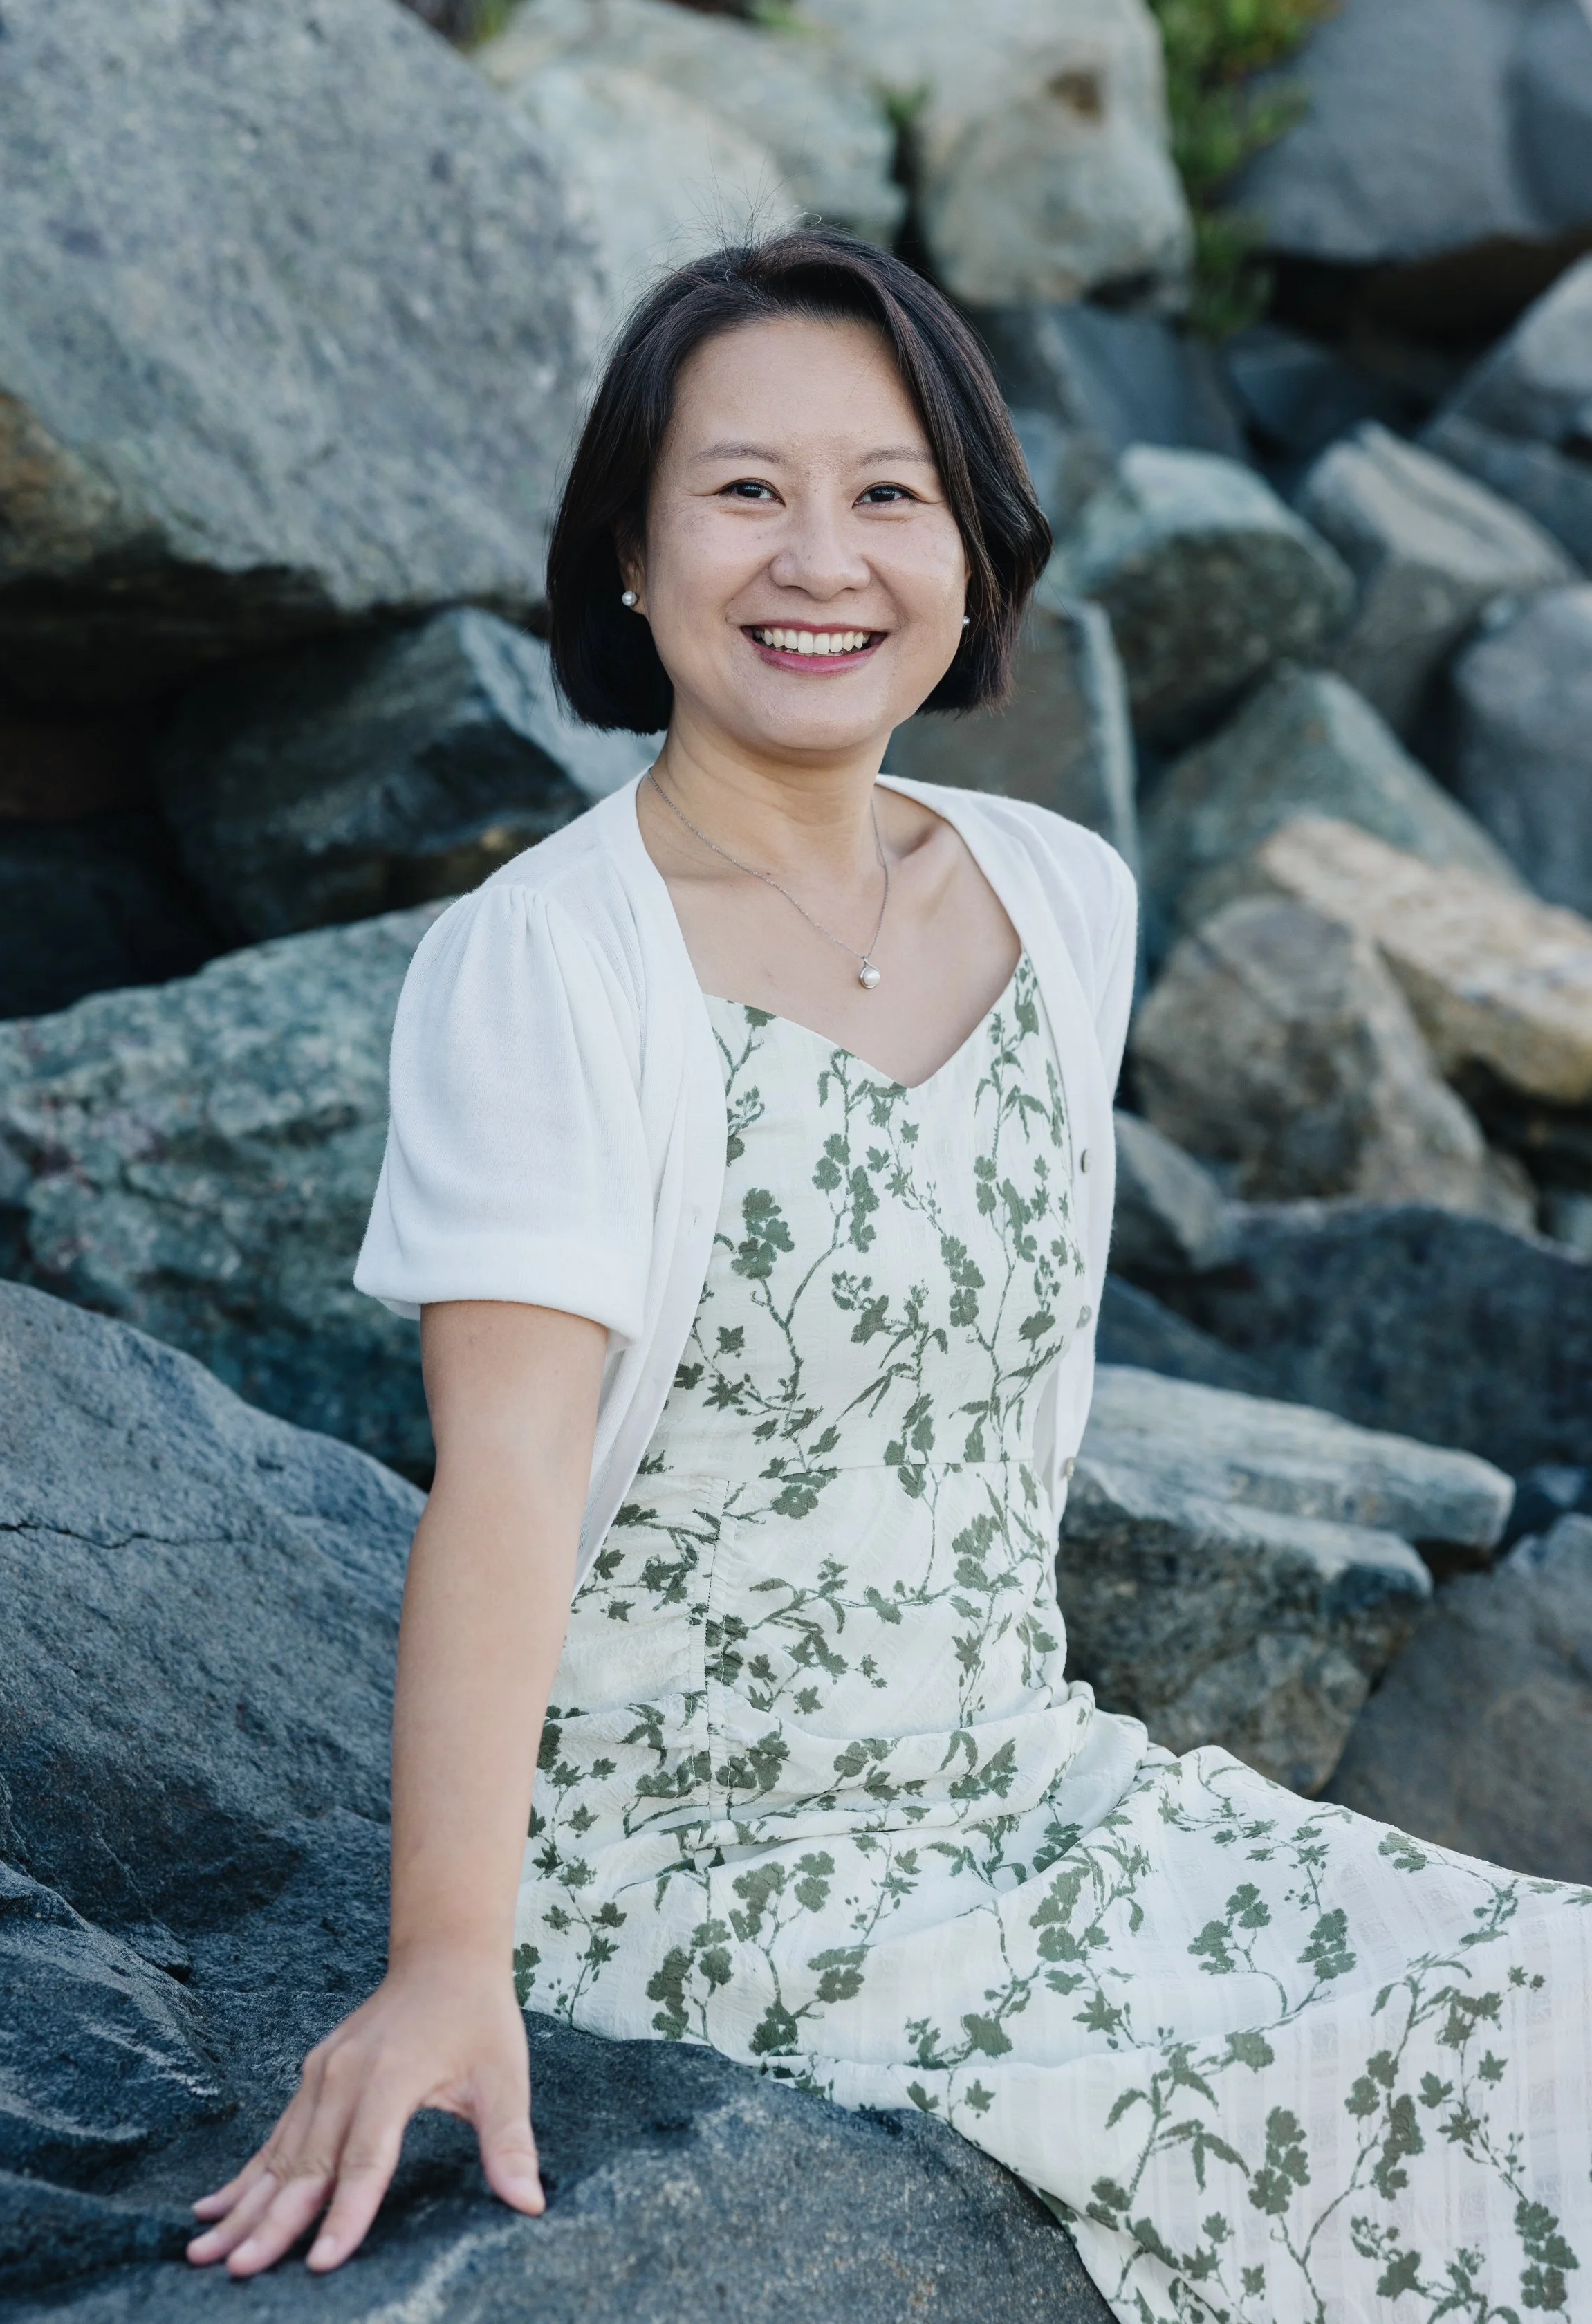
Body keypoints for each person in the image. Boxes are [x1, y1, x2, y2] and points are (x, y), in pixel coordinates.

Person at [187, 231, 1591, 2317]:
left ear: (973, 549)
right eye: (745, 491)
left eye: (887, 493)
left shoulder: (1058, 896)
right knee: (1423, 2097)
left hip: (1034, 1784)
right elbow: (506, 1479)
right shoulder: (549, 959)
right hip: (707, 1874)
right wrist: (447, 1962)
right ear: (632, 556)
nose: (819, 560)